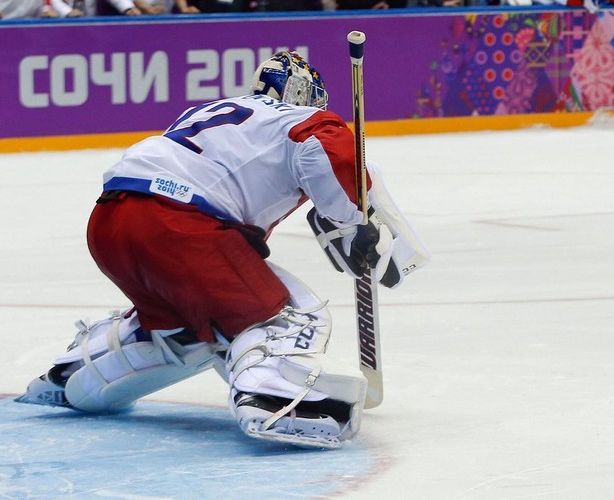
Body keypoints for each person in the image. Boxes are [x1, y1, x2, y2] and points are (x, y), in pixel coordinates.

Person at [16, 50, 427, 447]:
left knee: (184, 330)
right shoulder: (303, 119)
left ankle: (77, 377)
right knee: (285, 316)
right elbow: (326, 150)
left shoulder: (213, 112)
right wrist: (355, 220)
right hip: (180, 226)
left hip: (111, 221)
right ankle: (279, 402)